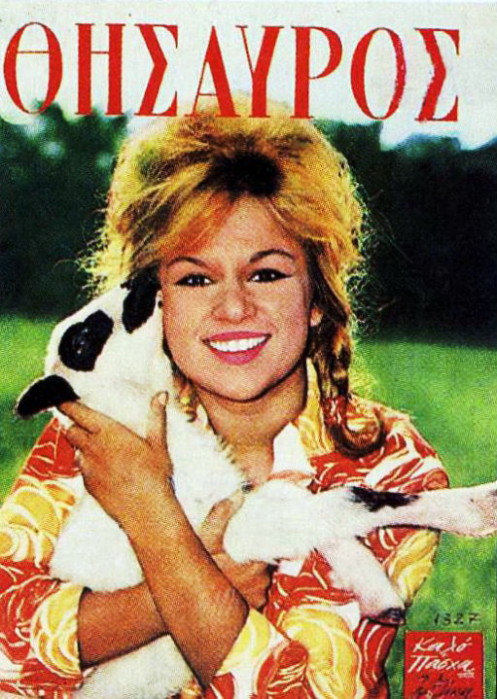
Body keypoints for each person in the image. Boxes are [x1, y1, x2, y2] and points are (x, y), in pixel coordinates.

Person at [0, 100, 448, 698]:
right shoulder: (100, 430)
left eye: (266, 274)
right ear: (155, 301)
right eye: (195, 278)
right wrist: (197, 585)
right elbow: (6, 643)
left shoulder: (388, 462)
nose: (234, 308)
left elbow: (301, 690)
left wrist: (155, 521)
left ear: (317, 298)